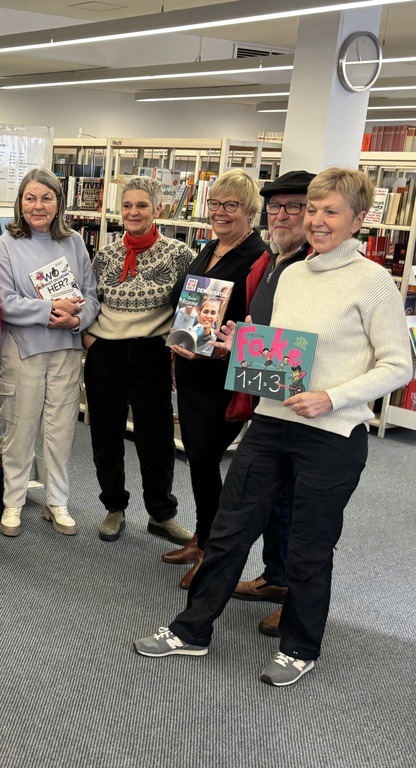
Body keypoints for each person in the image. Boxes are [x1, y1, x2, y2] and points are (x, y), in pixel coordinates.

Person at [135, 167, 411, 687]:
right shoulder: (293, 274)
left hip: (333, 434)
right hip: (271, 421)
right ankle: (192, 630)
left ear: (358, 220)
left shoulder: (374, 281)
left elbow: (399, 366)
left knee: (309, 544)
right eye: (313, 210)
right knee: (229, 531)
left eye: (330, 212)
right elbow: (282, 351)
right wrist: (238, 345)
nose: (317, 221)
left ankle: (299, 647)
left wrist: (333, 397)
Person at [162, 169, 267, 588]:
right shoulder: (209, 247)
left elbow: (257, 319)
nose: (220, 212)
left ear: (250, 211)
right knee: (198, 460)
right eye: (216, 203)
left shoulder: (259, 257)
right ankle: (202, 537)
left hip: (224, 376)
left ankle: (214, 553)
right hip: (192, 369)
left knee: (207, 459)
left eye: (232, 205)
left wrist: (223, 344)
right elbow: (185, 300)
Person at [82, 176, 194, 544]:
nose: (133, 212)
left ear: (157, 209)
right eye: (127, 205)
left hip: (151, 352)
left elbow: (191, 306)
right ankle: (114, 507)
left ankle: (161, 514)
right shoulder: (105, 255)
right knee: (105, 436)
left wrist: (178, 347)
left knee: (156, 438)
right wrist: (87, 336)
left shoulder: (179, 255)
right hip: (106, 353)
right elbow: (89, 300)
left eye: (142, 205)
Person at [228, 170, 315, 637]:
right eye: (275, 207)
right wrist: (239, 342)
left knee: (302, 506)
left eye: (294, 207)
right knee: (278, 500)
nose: (282, 215)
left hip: (307, 408)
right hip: (272, 400)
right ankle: (277, 577)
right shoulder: (277, 259)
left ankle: (297, 598)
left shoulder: (311, 266)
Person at [0, 168, 99, 537]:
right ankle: (13, 502)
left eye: (46, 198)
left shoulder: (75, 242)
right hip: (24, 351)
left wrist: (77, 319)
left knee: (61, 430)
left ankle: (57, 501)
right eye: (31, 198)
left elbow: (91, 295)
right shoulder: (6, 244)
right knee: (20, 429)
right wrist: (49, 310)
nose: (38, 206)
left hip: (67, 349)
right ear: (20, 203)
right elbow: (3, 301)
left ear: (58, 203)